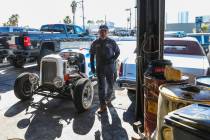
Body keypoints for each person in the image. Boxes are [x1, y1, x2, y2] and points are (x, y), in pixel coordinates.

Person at [90, 25, 120, 114]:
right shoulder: (95, 42)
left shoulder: (112, 42)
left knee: (110, 85)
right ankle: (103, 105)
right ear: (99, 32)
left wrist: (113, 59)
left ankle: (108, 99)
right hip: (100, 68)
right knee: (101, 87)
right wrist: (92, 67)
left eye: (105, 31)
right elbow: (92, 56)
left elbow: (118, 52)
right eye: (101, 31)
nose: (103, 33)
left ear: (107, 32)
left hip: (110, 68)